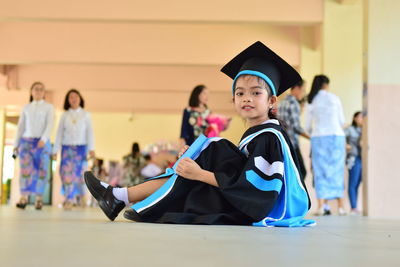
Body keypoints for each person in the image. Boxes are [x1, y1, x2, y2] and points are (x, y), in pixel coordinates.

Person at [84, 41, 315, 227]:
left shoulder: (269, 137)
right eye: (240, 93)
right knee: (207, 151)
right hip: (242, 199)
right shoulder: (257, 134)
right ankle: (120, 196)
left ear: (272, 100)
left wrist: (201, 173)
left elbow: (255, 191)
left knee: (215, 147)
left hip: (260, 208)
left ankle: (120, 196)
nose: (246, 98)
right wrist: (196, 158)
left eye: (256, 93)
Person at [305, 75, 346, 216]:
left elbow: (306, 126)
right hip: (336, 136)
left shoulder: (311, 101)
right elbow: (341, 120)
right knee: (337, 170)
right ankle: (341, 207)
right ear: (326, 85)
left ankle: (322, 206)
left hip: (319, 137)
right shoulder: (335, 98)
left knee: (320, 171)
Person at [13, 81, 54, 210]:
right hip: (26, 142)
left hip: (42, 143)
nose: (38, 91)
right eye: (36, 89)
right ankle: (23, 197)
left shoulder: (49, 107)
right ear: (31, 91)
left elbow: (50, 124)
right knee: (25, 170)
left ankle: (38, 199)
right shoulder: (26, 108)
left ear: (44, 93)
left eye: (41, 89)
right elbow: (20, 127)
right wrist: (16, 144)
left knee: (42, 170)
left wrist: (44, 139)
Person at [53, 89, 95, 209]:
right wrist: (55, 150)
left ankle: (82, 197)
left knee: (81, 174)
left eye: (76, 96)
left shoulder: (86, 115)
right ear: (68, 100)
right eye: (71, 97)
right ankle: (68, 199)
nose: (73, 99)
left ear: (80, 98)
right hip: (67, 149)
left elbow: (90, 133)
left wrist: (92, 148)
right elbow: (59, 133)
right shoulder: (64, 115)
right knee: (66, 174)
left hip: (81, 149)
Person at [278, 79, 310, 181]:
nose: (303, 93)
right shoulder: (294, 103)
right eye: (303, 90)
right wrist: (311, 137)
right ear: (296, 88)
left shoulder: (282, 103)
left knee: (288, 174)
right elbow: (296, 127)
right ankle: (294, 196)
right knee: (301, 173)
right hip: (292, 144)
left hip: (282, 143)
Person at [345, 111, 363, 215]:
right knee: (352, 183)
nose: (362, 119)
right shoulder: (350, 129)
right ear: (355, 118)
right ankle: (353, 207)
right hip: (353, 158)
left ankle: (355, 206)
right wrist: (346, 146)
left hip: (362, 158)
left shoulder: (364, 130)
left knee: (357, 183)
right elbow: (341, 137)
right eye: (360, 117)